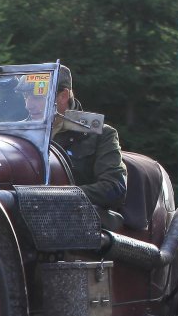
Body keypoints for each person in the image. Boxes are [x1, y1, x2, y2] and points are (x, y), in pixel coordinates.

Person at [47, 67, 127, 213]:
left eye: (38, 97)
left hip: (77, 218)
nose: (28, 104)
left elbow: (114, 188)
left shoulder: (100, 134)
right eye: (26, 97)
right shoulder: (18, 134)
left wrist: (59, 196)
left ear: (63, 96)